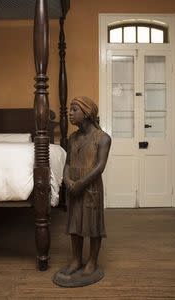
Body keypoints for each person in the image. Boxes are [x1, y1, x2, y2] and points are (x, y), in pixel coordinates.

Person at [62, 96, 111, 276]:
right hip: (73, 186)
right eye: (70, 109)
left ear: (87, 113)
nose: (70, 113)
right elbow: (67, 163)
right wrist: (67, 180)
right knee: (75, 224)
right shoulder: (72, 138)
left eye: (74, 109)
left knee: (93, 225)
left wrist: (81, 184)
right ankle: (76, 260)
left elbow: (99, 166)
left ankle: (92, 261)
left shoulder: (103, 138)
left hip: (90, 187)